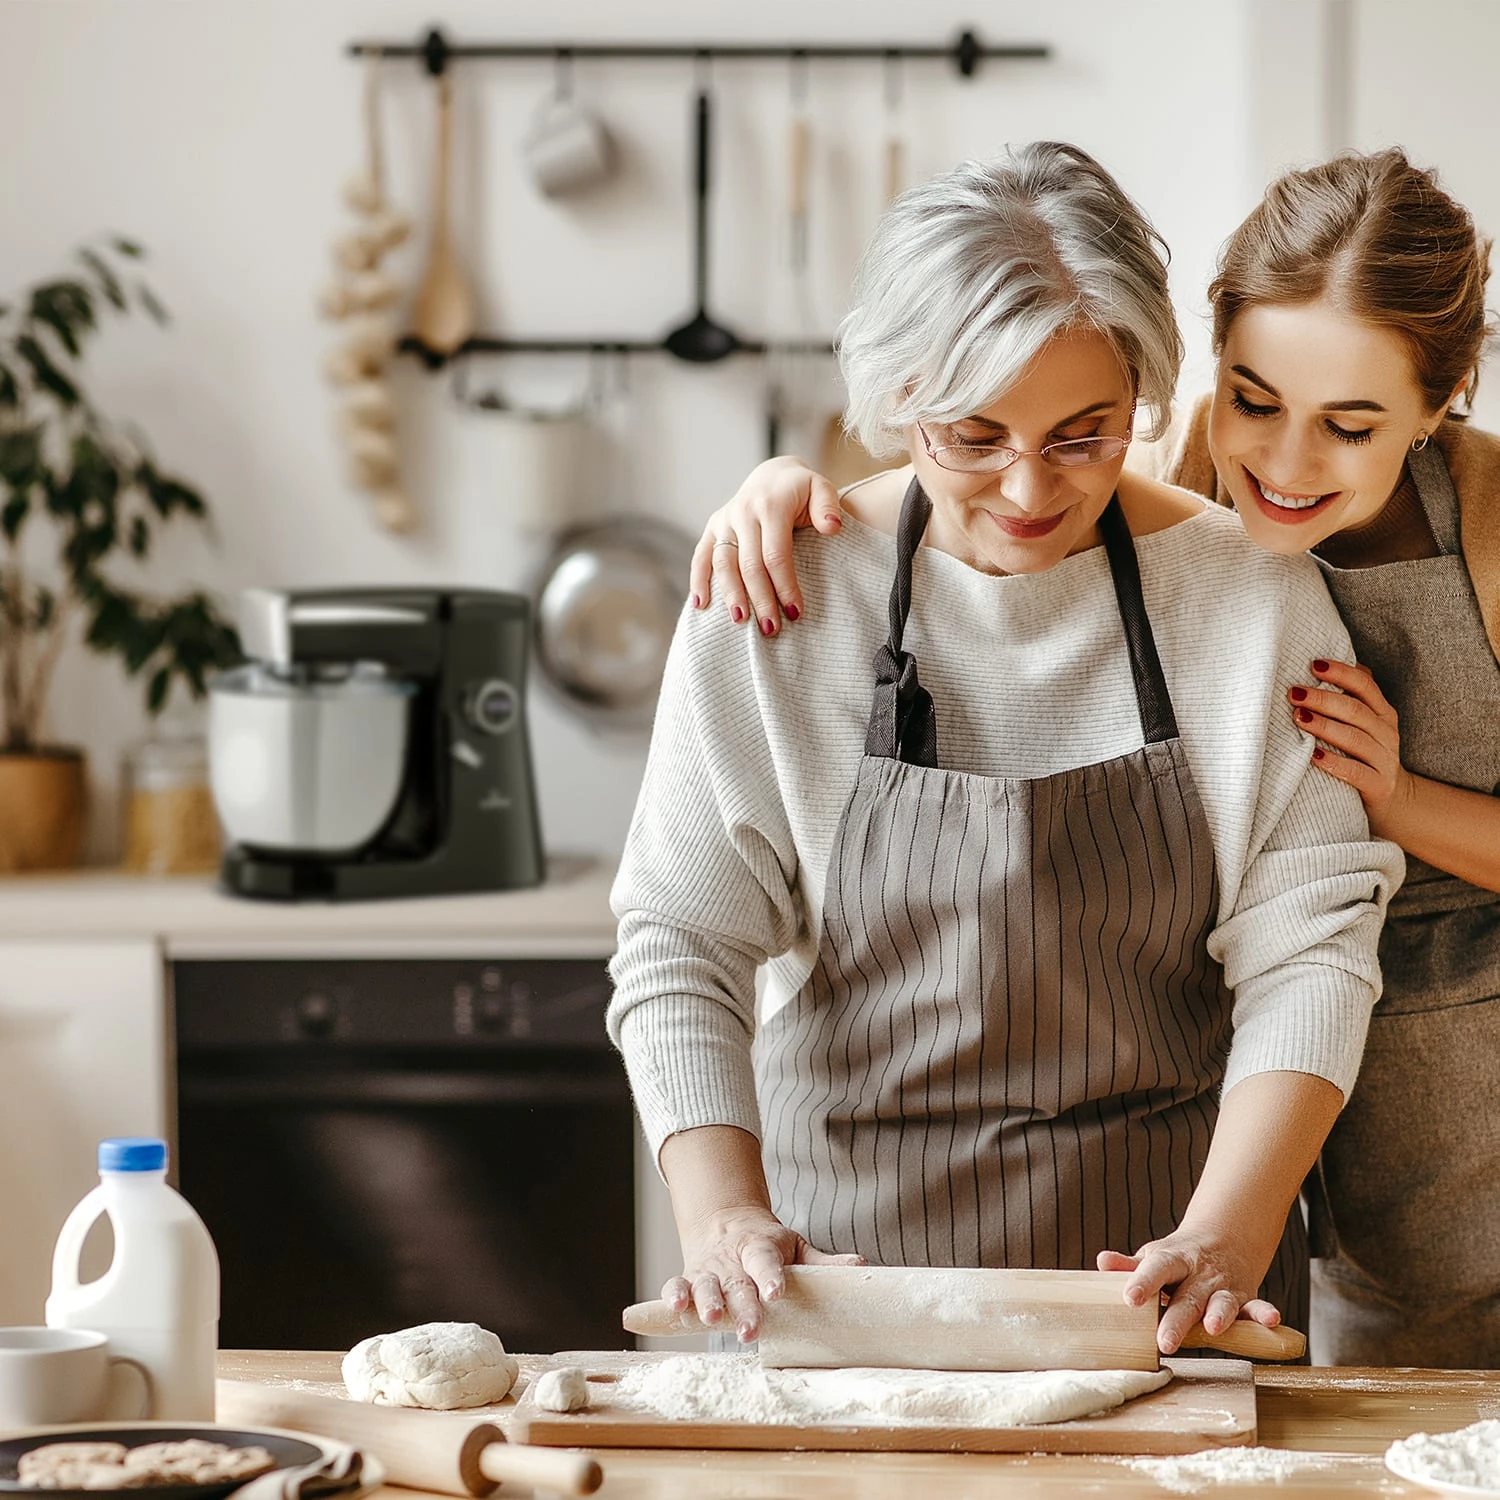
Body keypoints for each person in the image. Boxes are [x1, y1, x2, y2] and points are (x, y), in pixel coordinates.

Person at [691, 146, 1500, 1367]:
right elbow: (682, 934)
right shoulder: (1157, 498)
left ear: (1443, 406)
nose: (1285, 465)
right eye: (1255, 402)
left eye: (1350, 426)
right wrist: (781, 489)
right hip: (1211, 1132)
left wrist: (1398, 799)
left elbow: (1311, 939)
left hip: (1388, 1128)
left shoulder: (1362, 556)